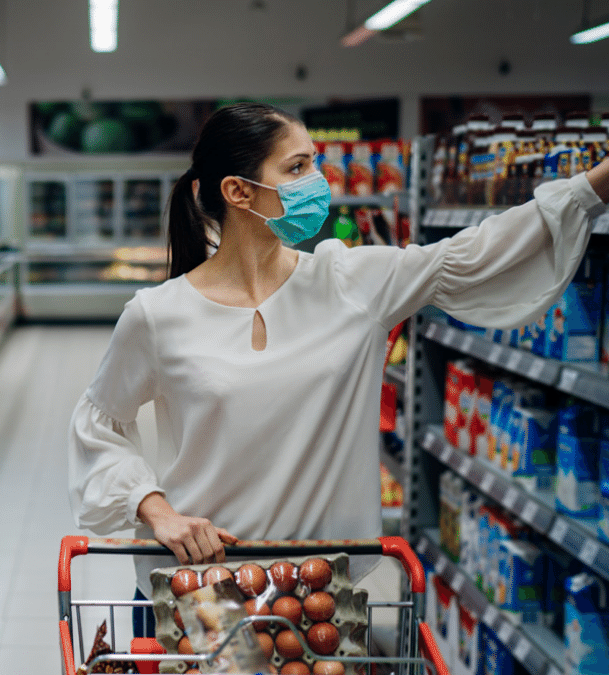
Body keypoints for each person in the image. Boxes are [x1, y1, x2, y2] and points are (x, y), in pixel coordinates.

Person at [66, 102, 609, 637]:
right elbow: (98, 424)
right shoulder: (158, 315)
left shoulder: (352, 282)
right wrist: (154, 508)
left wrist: (593, 186)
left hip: (320, 591)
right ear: (238, 192)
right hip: (198, 586)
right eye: (297, 167)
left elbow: (477, 253)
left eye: (316, 164)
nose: (318, 181)